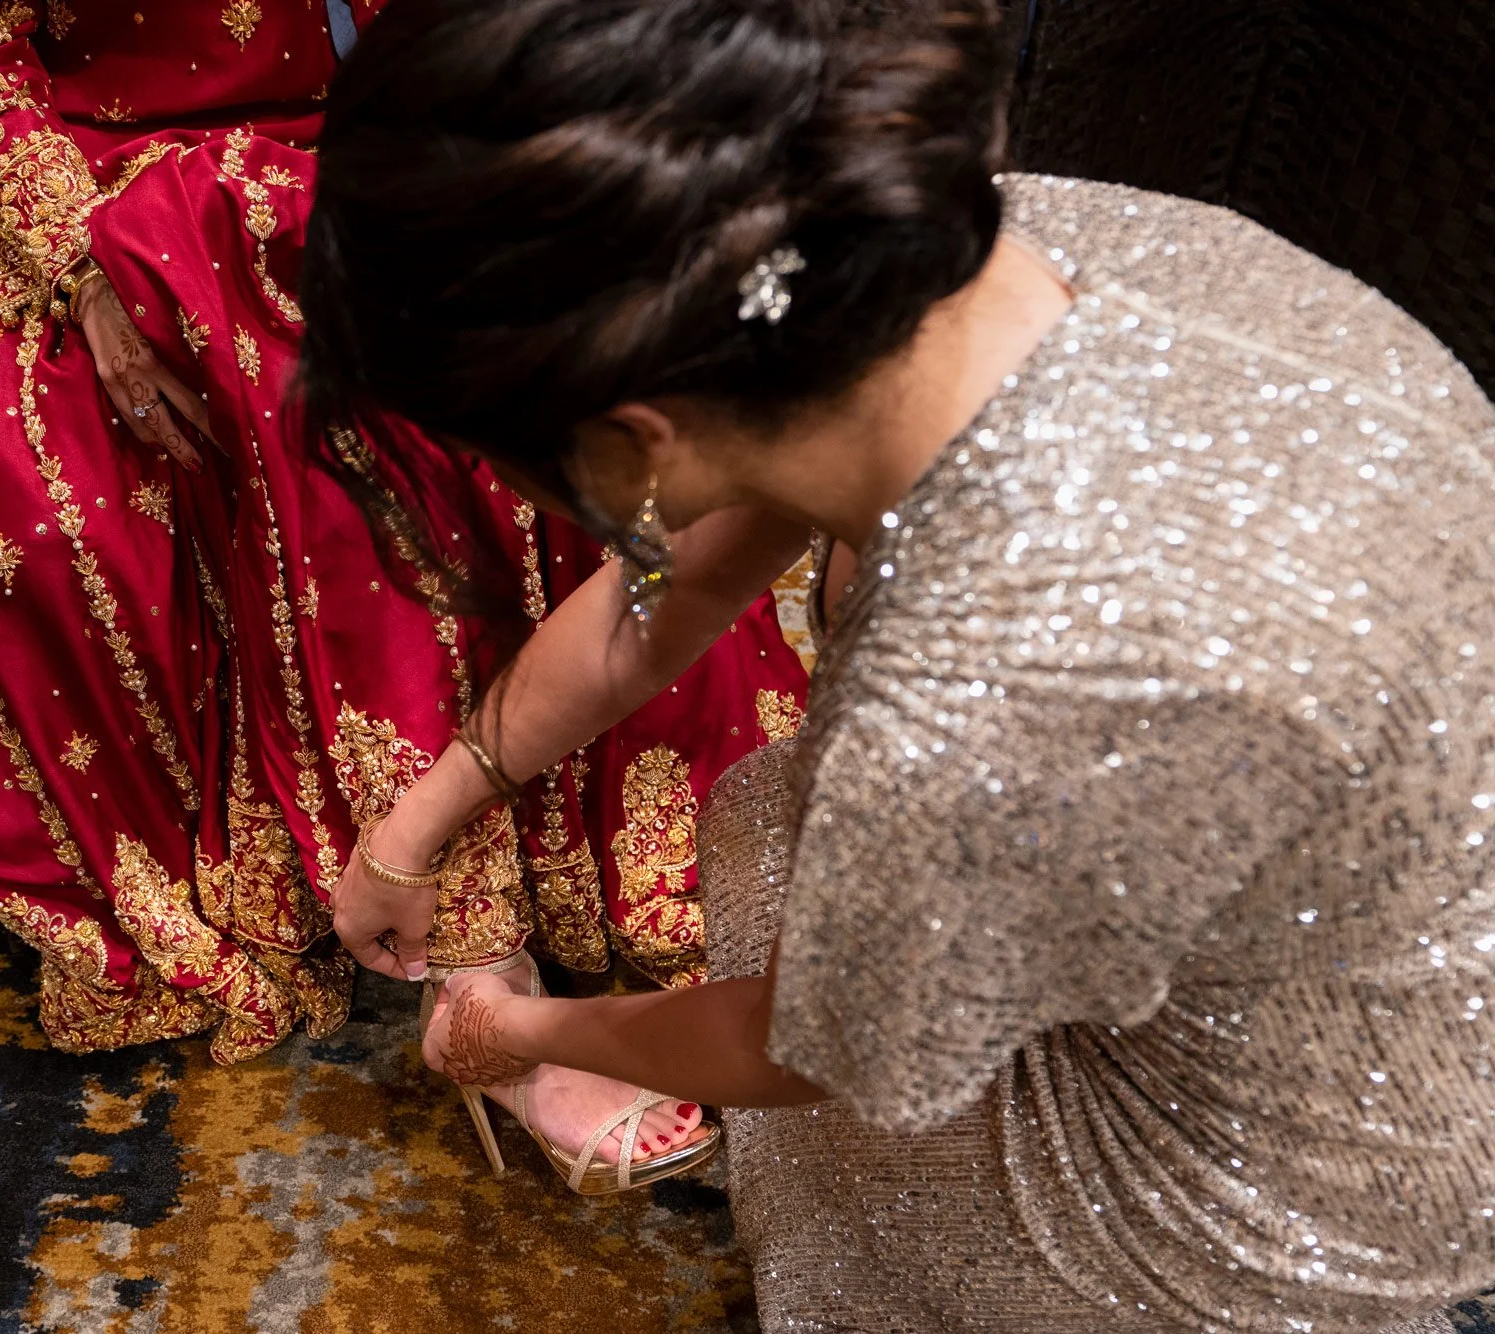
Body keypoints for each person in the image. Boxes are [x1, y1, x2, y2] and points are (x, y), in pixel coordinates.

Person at [300, 0, 1495, 1325]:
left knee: (859, 1113)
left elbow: (807, 1047)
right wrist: (425, 817)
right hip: (1370, 918)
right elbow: (672, 585)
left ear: (638, 441)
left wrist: (515, 1035)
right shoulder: (964, 258)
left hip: (1272, 1188)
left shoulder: (970, 711)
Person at [0, 0, 809, 1175]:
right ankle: (479, 975)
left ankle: (570, 920)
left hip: (352, 141)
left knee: (441, 356)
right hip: (82, 190)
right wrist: (83, 268)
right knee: (201, 407)